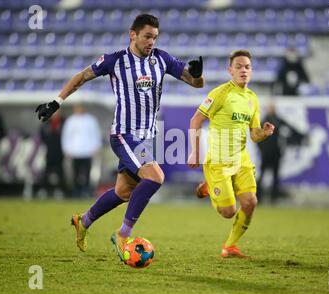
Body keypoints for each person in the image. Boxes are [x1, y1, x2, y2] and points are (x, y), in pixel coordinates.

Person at [35, 14, 204, 261]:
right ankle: (123, 234)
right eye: (147, 36)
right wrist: (57, 101)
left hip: (146, 137)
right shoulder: (115, 60)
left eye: (155, 38)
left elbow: (196, 83)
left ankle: (84, 220)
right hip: (124, 134)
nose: (151, 42)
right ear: (132, 34)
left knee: (123, 192)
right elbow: (82, 76)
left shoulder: (161, 59)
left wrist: (198, 74)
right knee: (156, 177)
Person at [188, 50, 274, 258]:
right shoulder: (220, 93)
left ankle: (230, 246)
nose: (243, 70)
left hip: (242, 159)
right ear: (230, 70)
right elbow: (196, 120)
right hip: (218, 161)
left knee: (251, 202)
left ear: (251, 71)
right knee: (228, 212)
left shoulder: (252, 99)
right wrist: (194, 152)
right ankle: (210, 187)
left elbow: (254, 135)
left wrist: (264, 133)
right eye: (239, 66)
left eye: (247, 67)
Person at [257, 102, 305, 203]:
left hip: (276, 153)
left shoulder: (277, 120)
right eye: (270, 108)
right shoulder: (265, 122)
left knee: (274, 175)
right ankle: (259, 197)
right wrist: (262, 150)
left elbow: (291, 129)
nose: (272, 110)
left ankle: (273, 197)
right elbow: (258, 137)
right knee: (262, 175)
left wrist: (302, 136)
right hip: (266, 153)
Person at [61, 104, 102, 198]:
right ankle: (76, 191)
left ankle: (86, 190)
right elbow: (66, 136)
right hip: (75, 152)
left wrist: (97, 147)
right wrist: (66, 149)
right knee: (75, 173)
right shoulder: (70, 120)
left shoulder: (91, 120)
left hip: (88, 151)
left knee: (87, 172)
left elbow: (96, 134)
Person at [39, 108, 66, 198]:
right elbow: (42, 135)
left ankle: (60, 190)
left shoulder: (64, 123)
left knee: (60, 171)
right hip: (49, 151)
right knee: (46, 171)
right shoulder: (46, 123)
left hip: (60, 151)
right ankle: (44, 190)